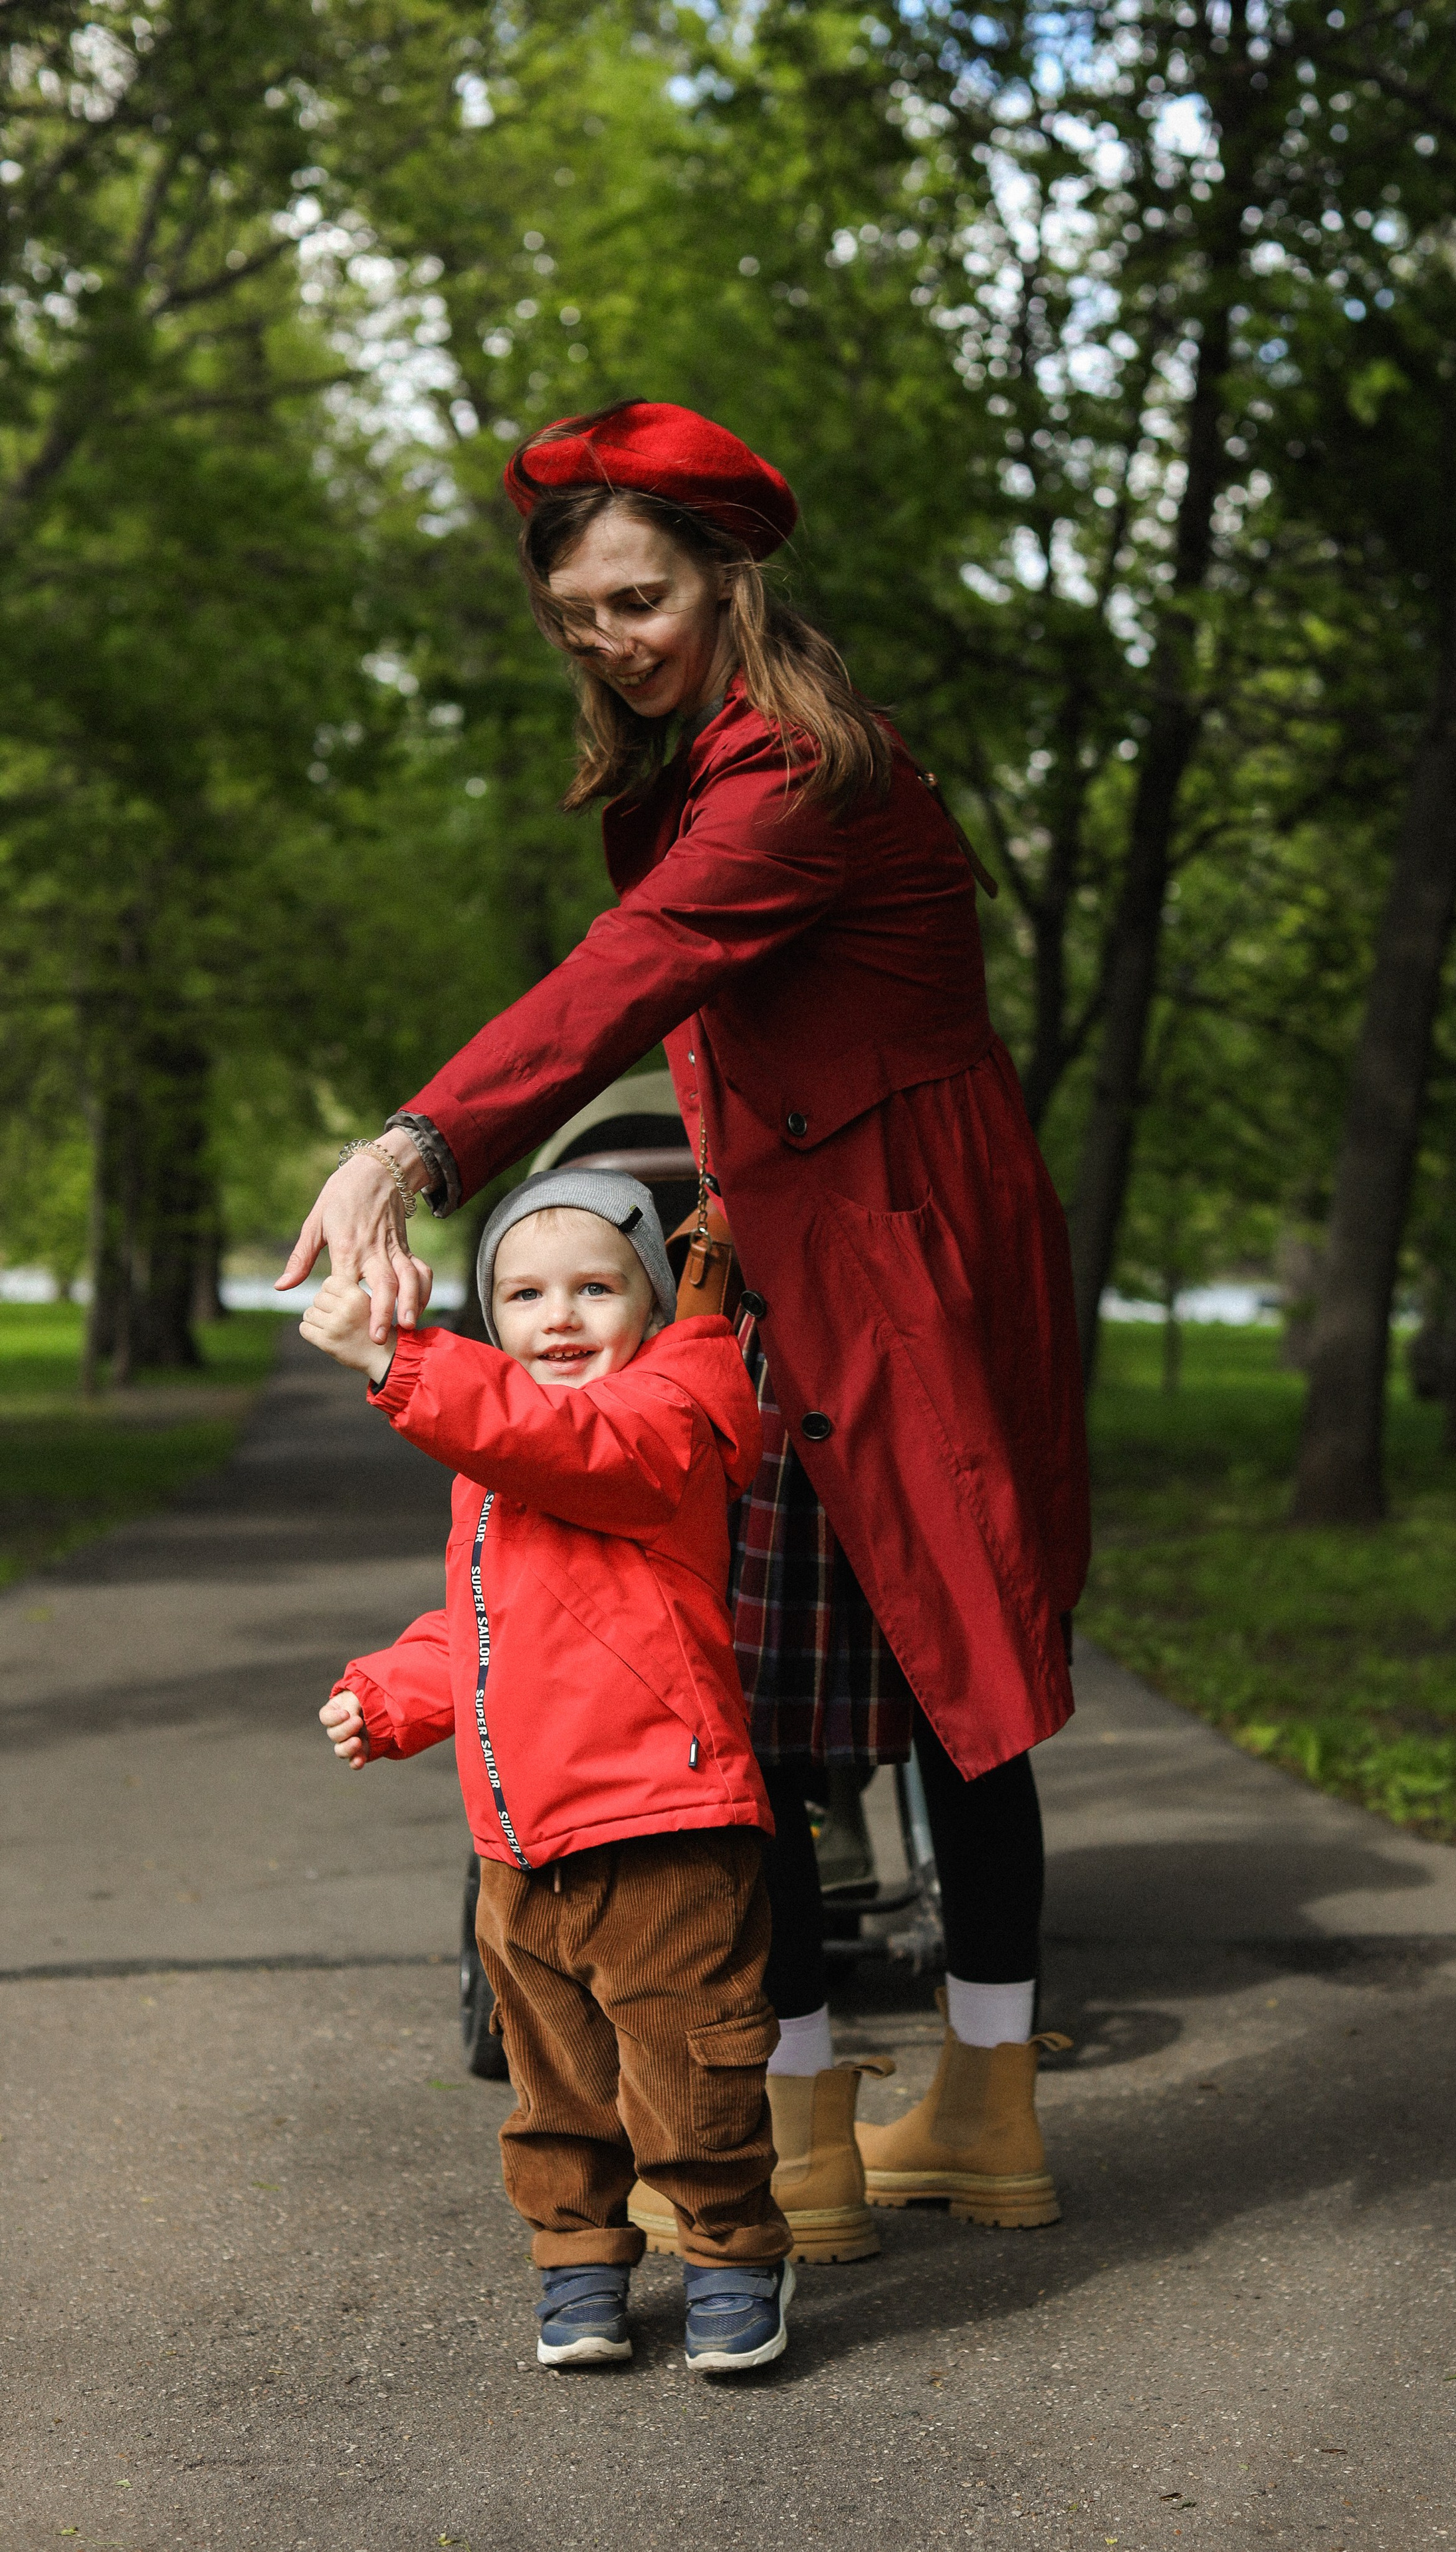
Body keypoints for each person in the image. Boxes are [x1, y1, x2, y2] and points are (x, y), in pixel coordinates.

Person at [281, 398, 1091, 2260]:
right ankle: (823, 2126)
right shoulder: (707, 771)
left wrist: (416, 1145)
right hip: (808, 1245)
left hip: (894, 1260)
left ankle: (957, 2111)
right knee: (791, 1690)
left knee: (927, 1682)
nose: (609, 639)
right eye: (577, 615)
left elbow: (637, 974)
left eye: (638, 599)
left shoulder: (804, 776)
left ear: (734, 576)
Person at [303, 1165, 797, 2375]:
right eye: (523, 1295)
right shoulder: (508, 1452)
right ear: (494, 1318)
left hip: (662, 1822)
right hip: (521, 1845)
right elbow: (493, 1621)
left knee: (691, 2070)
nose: (559, 1317)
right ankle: (577, 2261)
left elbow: (582, 1452)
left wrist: (402, 1364)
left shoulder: (670, 1413)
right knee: (555, 2082)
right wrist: (392, 1692)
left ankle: (733, 2256)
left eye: (593, 1286)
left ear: (652, 1301)